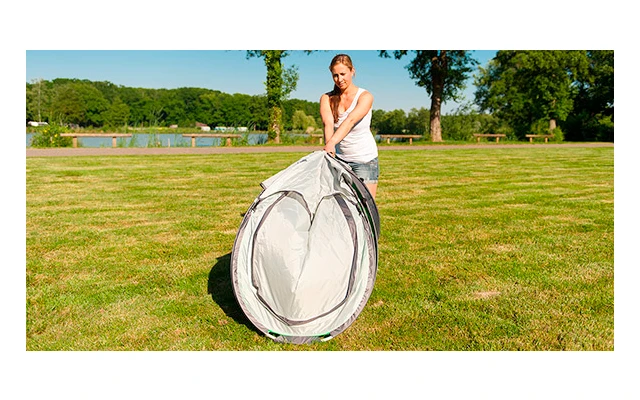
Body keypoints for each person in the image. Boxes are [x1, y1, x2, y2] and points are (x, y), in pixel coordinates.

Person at [321, 54, 379, 199]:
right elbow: (328, 123)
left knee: (366, 206)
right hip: (339, 160)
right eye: (335, 75)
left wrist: (332, 143)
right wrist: (330, 151)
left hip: (364, 160)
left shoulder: (365, 96)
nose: (339, 79)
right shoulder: (326, 98)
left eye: (343, 74)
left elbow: (350, 121)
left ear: (352, 71)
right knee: (341, 205)